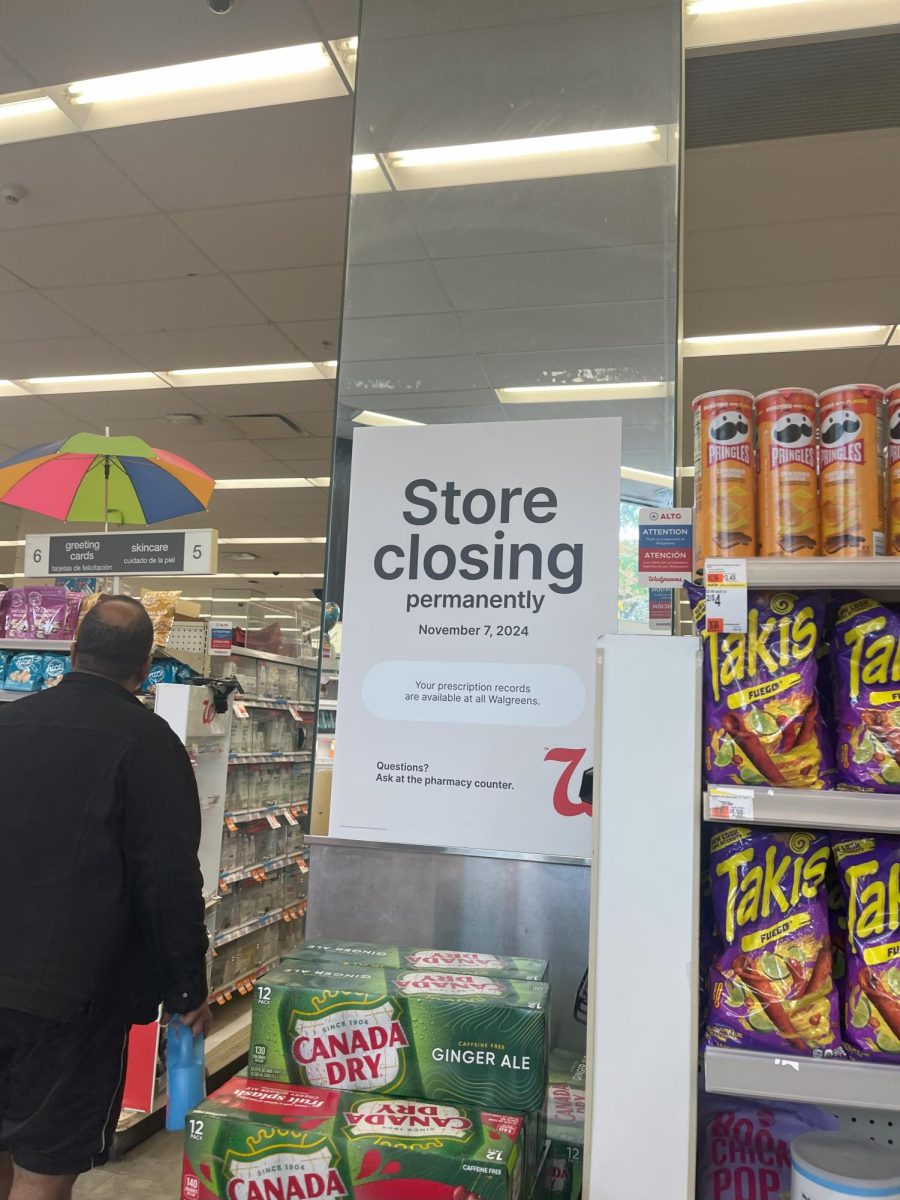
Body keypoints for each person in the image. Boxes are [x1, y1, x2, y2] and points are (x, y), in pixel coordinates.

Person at [0, 596, 212, 1200]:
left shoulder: (5, 725)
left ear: (71, 651)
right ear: (144, 668)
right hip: (74, 999)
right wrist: (186, 989)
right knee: (45, 1164)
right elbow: (168, 880)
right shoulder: (151, 745)